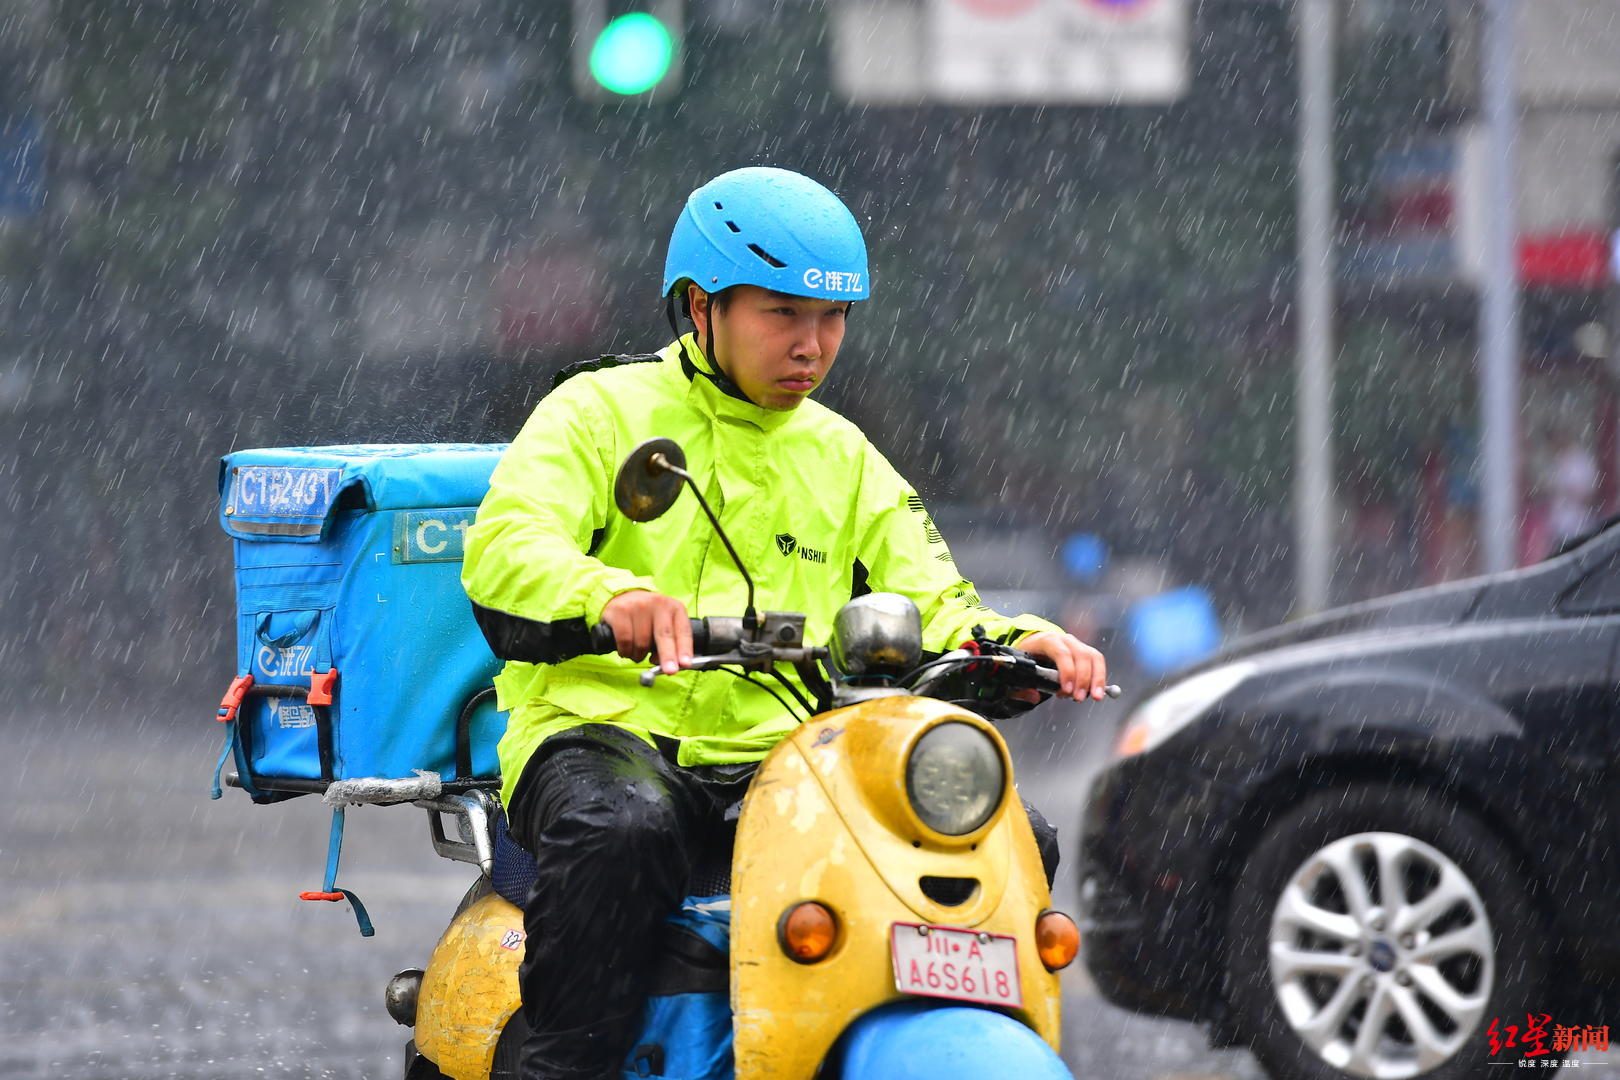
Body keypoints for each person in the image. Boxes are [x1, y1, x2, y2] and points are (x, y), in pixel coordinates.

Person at [460, 166, 1108, 1080]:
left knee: (1007, 828)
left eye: (832, 318)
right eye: (783, 314)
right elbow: (507, 548)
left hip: (784, 760)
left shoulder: (841, 454)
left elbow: (933, 598)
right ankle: (565, 1068)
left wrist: (1016, 642)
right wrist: (609, 599)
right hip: (603, 736)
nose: (813, 345)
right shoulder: (597, 413)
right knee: (621, 832)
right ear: (699, 307)